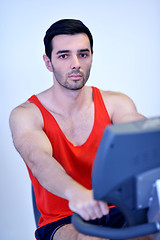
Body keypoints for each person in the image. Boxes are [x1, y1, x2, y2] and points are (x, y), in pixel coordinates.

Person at [9, 19, 153, 240]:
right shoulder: (26, 114)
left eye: (83, 54)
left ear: (91, 57)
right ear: (48, 62)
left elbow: (144, 137)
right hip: (62, 220)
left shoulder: (116, 103)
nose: (75, 63)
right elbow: (37, 159)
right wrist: (78, 194)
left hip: (118, 211)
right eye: (64, 56)